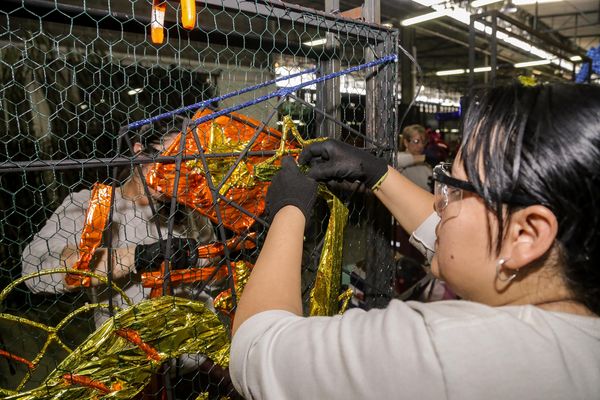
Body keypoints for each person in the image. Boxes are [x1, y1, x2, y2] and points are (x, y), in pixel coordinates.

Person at [229, 83, 600, 399]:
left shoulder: (448, 352)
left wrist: (289, 209)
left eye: (455, 187)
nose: (439, 200)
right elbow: (471, 248)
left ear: (527, 234)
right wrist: (378, 174)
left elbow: (256, 347)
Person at [21, 119, 237, 399]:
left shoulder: (188, 211)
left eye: (186, 164)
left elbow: (218, 280)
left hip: (195, 365)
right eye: (168, 160)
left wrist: (214, 259)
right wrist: (132, 257)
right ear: (138, 151)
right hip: (129, 374)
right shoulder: (91, 204)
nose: (175, 174)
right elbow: (34, 268)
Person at [396, 124, 433, 191]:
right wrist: (422, 158)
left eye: (423, 142)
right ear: (406, 142)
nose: (421, 146)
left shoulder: (425, 166)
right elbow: (396, 160)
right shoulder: (399, 158)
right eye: (416, 141)